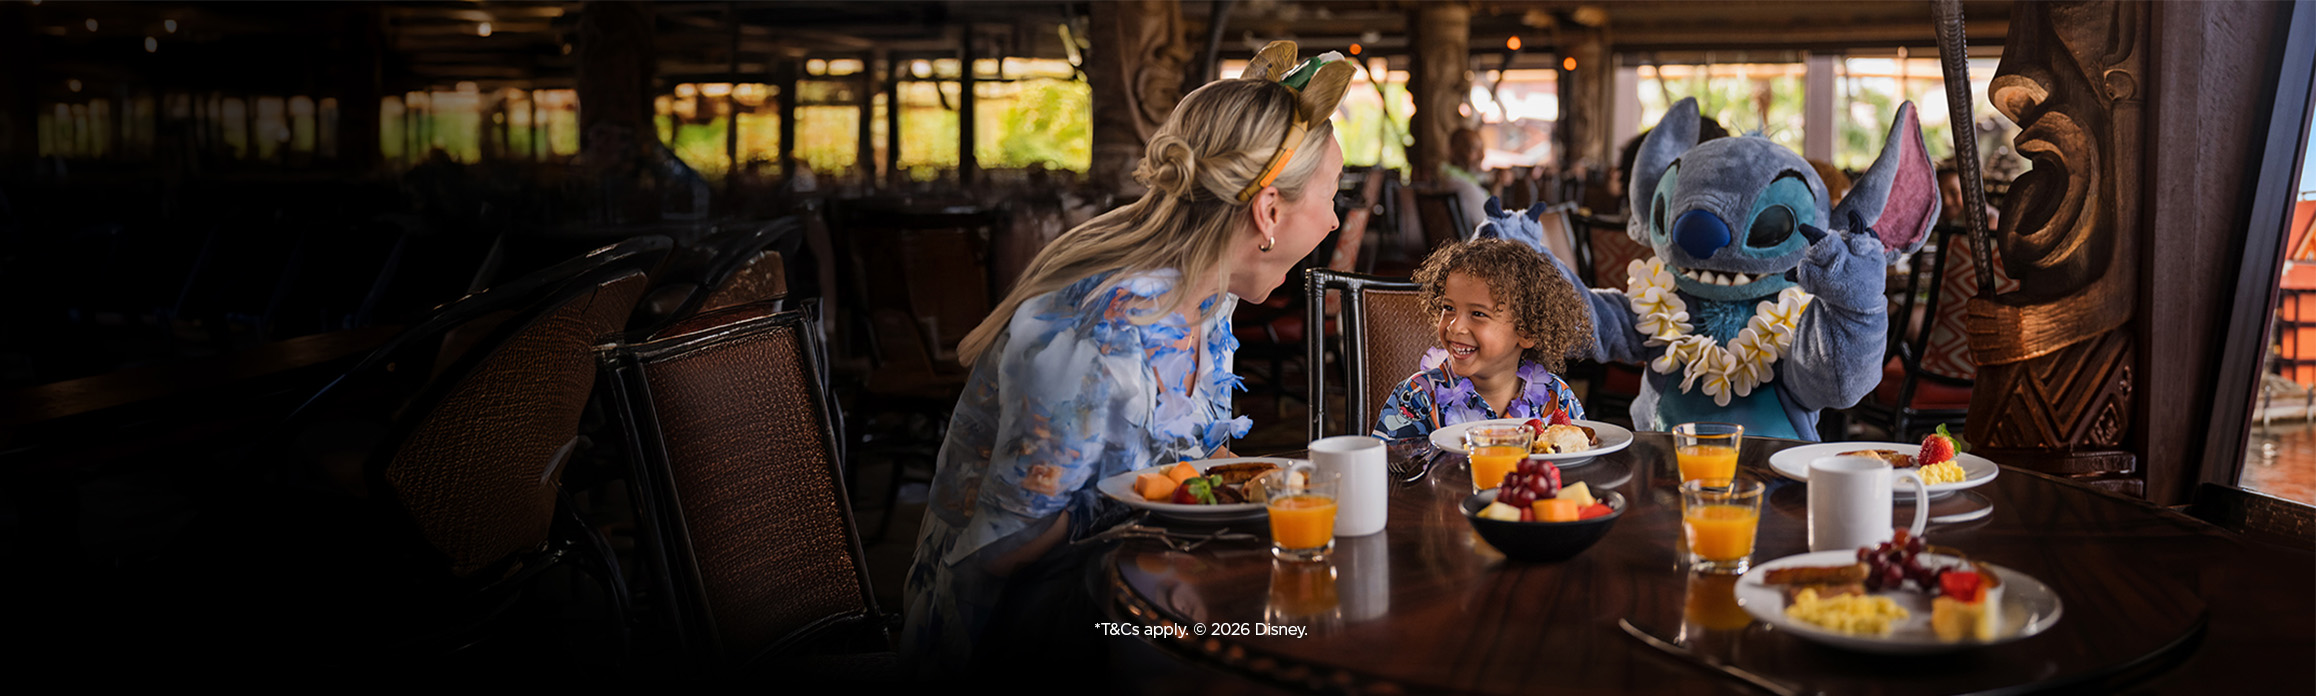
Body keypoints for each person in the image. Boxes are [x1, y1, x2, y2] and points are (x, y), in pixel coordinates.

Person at [900, 41, 1352, 674]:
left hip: (1139, 591)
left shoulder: (1208, 303)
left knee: (1311, 618)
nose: (1333, 222)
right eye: (1332, 195)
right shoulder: (1097, 332)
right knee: (1282, 648)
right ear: (1269, 210)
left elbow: (1192, 463)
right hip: (1019, 638)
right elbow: (1003, 551)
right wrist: (1149, 502)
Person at [1372, 238, 1593, 440]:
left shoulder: (1557, 398)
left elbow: (1579, 456)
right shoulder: (1418, 397)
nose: (1455, 326)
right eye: (1448, 308)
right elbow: (1387, 466)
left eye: (1478, 314)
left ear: (1527, 331)